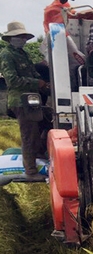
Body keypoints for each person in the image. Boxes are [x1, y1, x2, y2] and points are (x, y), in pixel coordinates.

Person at [0, 21, 49, 179]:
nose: (23, 40)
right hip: (21, 101)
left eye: (24, 37)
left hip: (33, 100)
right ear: (11, 38)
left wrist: (45, 84)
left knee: (47, 123)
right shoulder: (7, 54)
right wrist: (36, 83)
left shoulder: (24, 54)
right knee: (29, 135)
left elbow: (34, 74)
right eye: (20, 37)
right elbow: (12, 80)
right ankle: (31, 171)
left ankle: (41, 156)